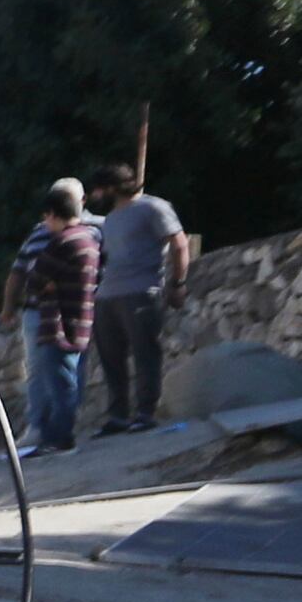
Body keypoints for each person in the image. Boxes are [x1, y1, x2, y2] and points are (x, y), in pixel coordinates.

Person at [88, 158, 192, 435]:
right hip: (107, 295)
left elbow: (179, 244)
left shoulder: (154, 207)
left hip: (141, 292)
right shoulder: (110, 219)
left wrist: (178, 283)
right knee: (112, 359)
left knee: (145, 354)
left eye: (98, 189)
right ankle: (118, 416)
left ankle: (146, 412)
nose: (96, 196)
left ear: (111, 187)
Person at [0, 178, 97, 455]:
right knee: (57, 375)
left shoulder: (68, 240)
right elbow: (22, 272)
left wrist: (48, 284)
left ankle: (58, 436)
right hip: (78, 317)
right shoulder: (86, 238)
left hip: (59, 320)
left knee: (61, 376)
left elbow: (36, 279)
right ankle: (47, 430)